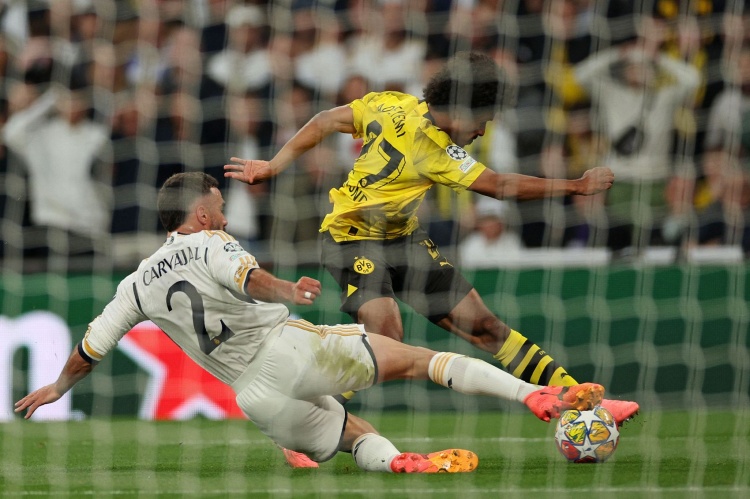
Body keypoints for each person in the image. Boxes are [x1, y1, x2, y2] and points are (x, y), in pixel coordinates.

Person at [14, 172, 609, 473]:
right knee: (422, 362)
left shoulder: (136, 282)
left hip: (254, 398)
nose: (225, 213)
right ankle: (535, 395)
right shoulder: (210, 243)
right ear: (201, 214)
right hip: (287, 349)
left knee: (352, 434)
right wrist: (288, 291)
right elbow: (247, 278)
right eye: (219, 205)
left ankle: (398, 463)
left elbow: (90, 348)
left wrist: (56, 389)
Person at [224, 51, 638, 426]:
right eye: (482, 120)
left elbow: (326, 119)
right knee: (386, 338)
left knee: (486, 328)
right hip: (350, 240)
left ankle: (586, 403)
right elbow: (499, 185)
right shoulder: (437, 150)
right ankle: (301, 416)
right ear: (460, 110)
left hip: (403, 239)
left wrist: (274, 164)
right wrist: (575, 185)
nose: (482, 130)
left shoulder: (392, 103)